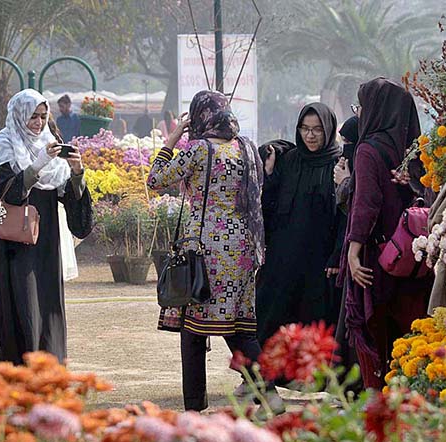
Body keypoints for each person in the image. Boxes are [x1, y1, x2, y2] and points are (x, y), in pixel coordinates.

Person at [147, 90, 281, 413]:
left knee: (193, 328)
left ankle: (194, 407)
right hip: (243, 249)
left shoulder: (199, 150)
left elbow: (155, 179)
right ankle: (269, 394)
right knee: (238, 326)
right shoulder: (246, 148)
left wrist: (173, 137)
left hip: (205, 250)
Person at [0, 89, 93, 367]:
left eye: (43, 116)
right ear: (20, 114)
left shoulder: (49, 141)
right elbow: (5, 191)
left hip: (45, 243)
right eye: (33, 116)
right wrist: (39, 164)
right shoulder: (6, 144)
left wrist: (77, 172)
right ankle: (17, 372)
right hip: (14, 244)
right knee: (22, 307)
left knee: (47, 306)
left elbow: (69, 196)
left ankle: (47, 371)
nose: (38, 122)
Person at [340, 78, 432, 389]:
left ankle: (379, 401)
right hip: (416, 259)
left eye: (362, 107)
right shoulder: (418, 151)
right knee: (410, 331)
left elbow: (366, 203)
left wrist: (352, 251)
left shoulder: (368, 149)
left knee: (374, 331)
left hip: (379, 259)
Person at [256, 103, 342, 347]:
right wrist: (271, 174)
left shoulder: (338, 164)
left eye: (317, 129)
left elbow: (344, 214)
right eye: (305, 129)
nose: (310, 135)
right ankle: (263, 377)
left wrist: (336, 254)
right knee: (272, 315)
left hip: (319, 258)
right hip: (284, 254)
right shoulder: (290, 160)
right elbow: (270, 205)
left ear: (328, 130)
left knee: (314, 321)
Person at [332, 115, 360, 381]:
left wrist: (344, 182)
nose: (345, 150)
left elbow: (355, 206)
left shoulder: (366, 159)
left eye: (349, 143)